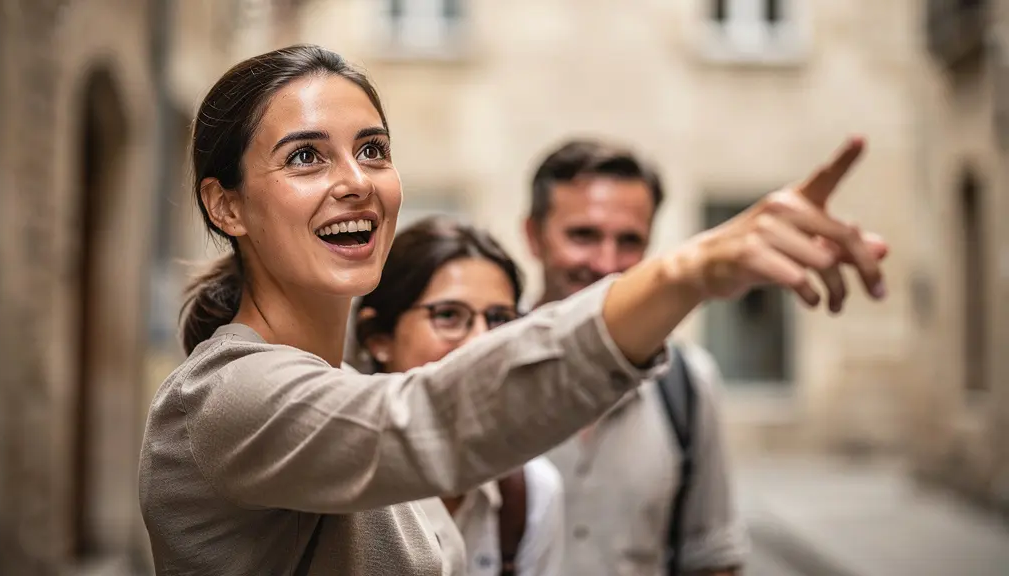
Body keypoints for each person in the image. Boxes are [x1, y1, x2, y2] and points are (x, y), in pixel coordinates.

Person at [137, 44, 888, 576]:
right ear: (226, 204)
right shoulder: (226, 398)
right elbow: (424, 422)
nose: (356, 181)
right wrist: (689, 271)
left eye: (372, 150)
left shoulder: (338, 387)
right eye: (306, 156)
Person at [521, 139, 823, 575]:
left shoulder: (685, 382)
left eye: (628, 241)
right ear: (534, 236)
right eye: (583, 235)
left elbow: (713, 556)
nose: (606, 262)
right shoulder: (478, 370)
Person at [351, 216, 564, 576]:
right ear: (379, 338)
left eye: (499, 318)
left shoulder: (530, 492)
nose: (482, 341)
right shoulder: (339, 475)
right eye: (449, 315)